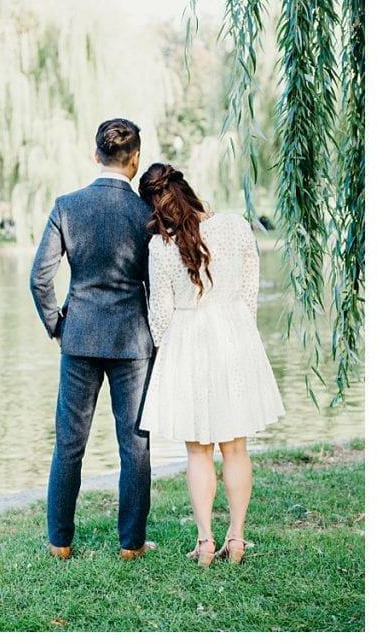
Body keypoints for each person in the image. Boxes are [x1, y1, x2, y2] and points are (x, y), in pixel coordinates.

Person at [137, 163, 285, 566]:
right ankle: (236, 539)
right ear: (188, 189)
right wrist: (242, 334)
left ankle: (205, 543)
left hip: (188, 341)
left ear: (154, 208)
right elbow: (249, 291)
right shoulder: (236, 226)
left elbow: (160, 313)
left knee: (198, 450)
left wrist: (170, 353)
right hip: (234, 335)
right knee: (235, 447)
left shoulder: (160, 247)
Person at [30, 118, 155, 561]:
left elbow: (40, 278)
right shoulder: (146, 214)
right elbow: (157, 285)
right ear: (135, 160)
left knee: (69, 441)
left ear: (95, 154)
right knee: (134, 444)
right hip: (132, 342)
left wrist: (57, 324)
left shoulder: (67, 206)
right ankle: (131, 546)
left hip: (78, 337)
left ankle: (60, 543)